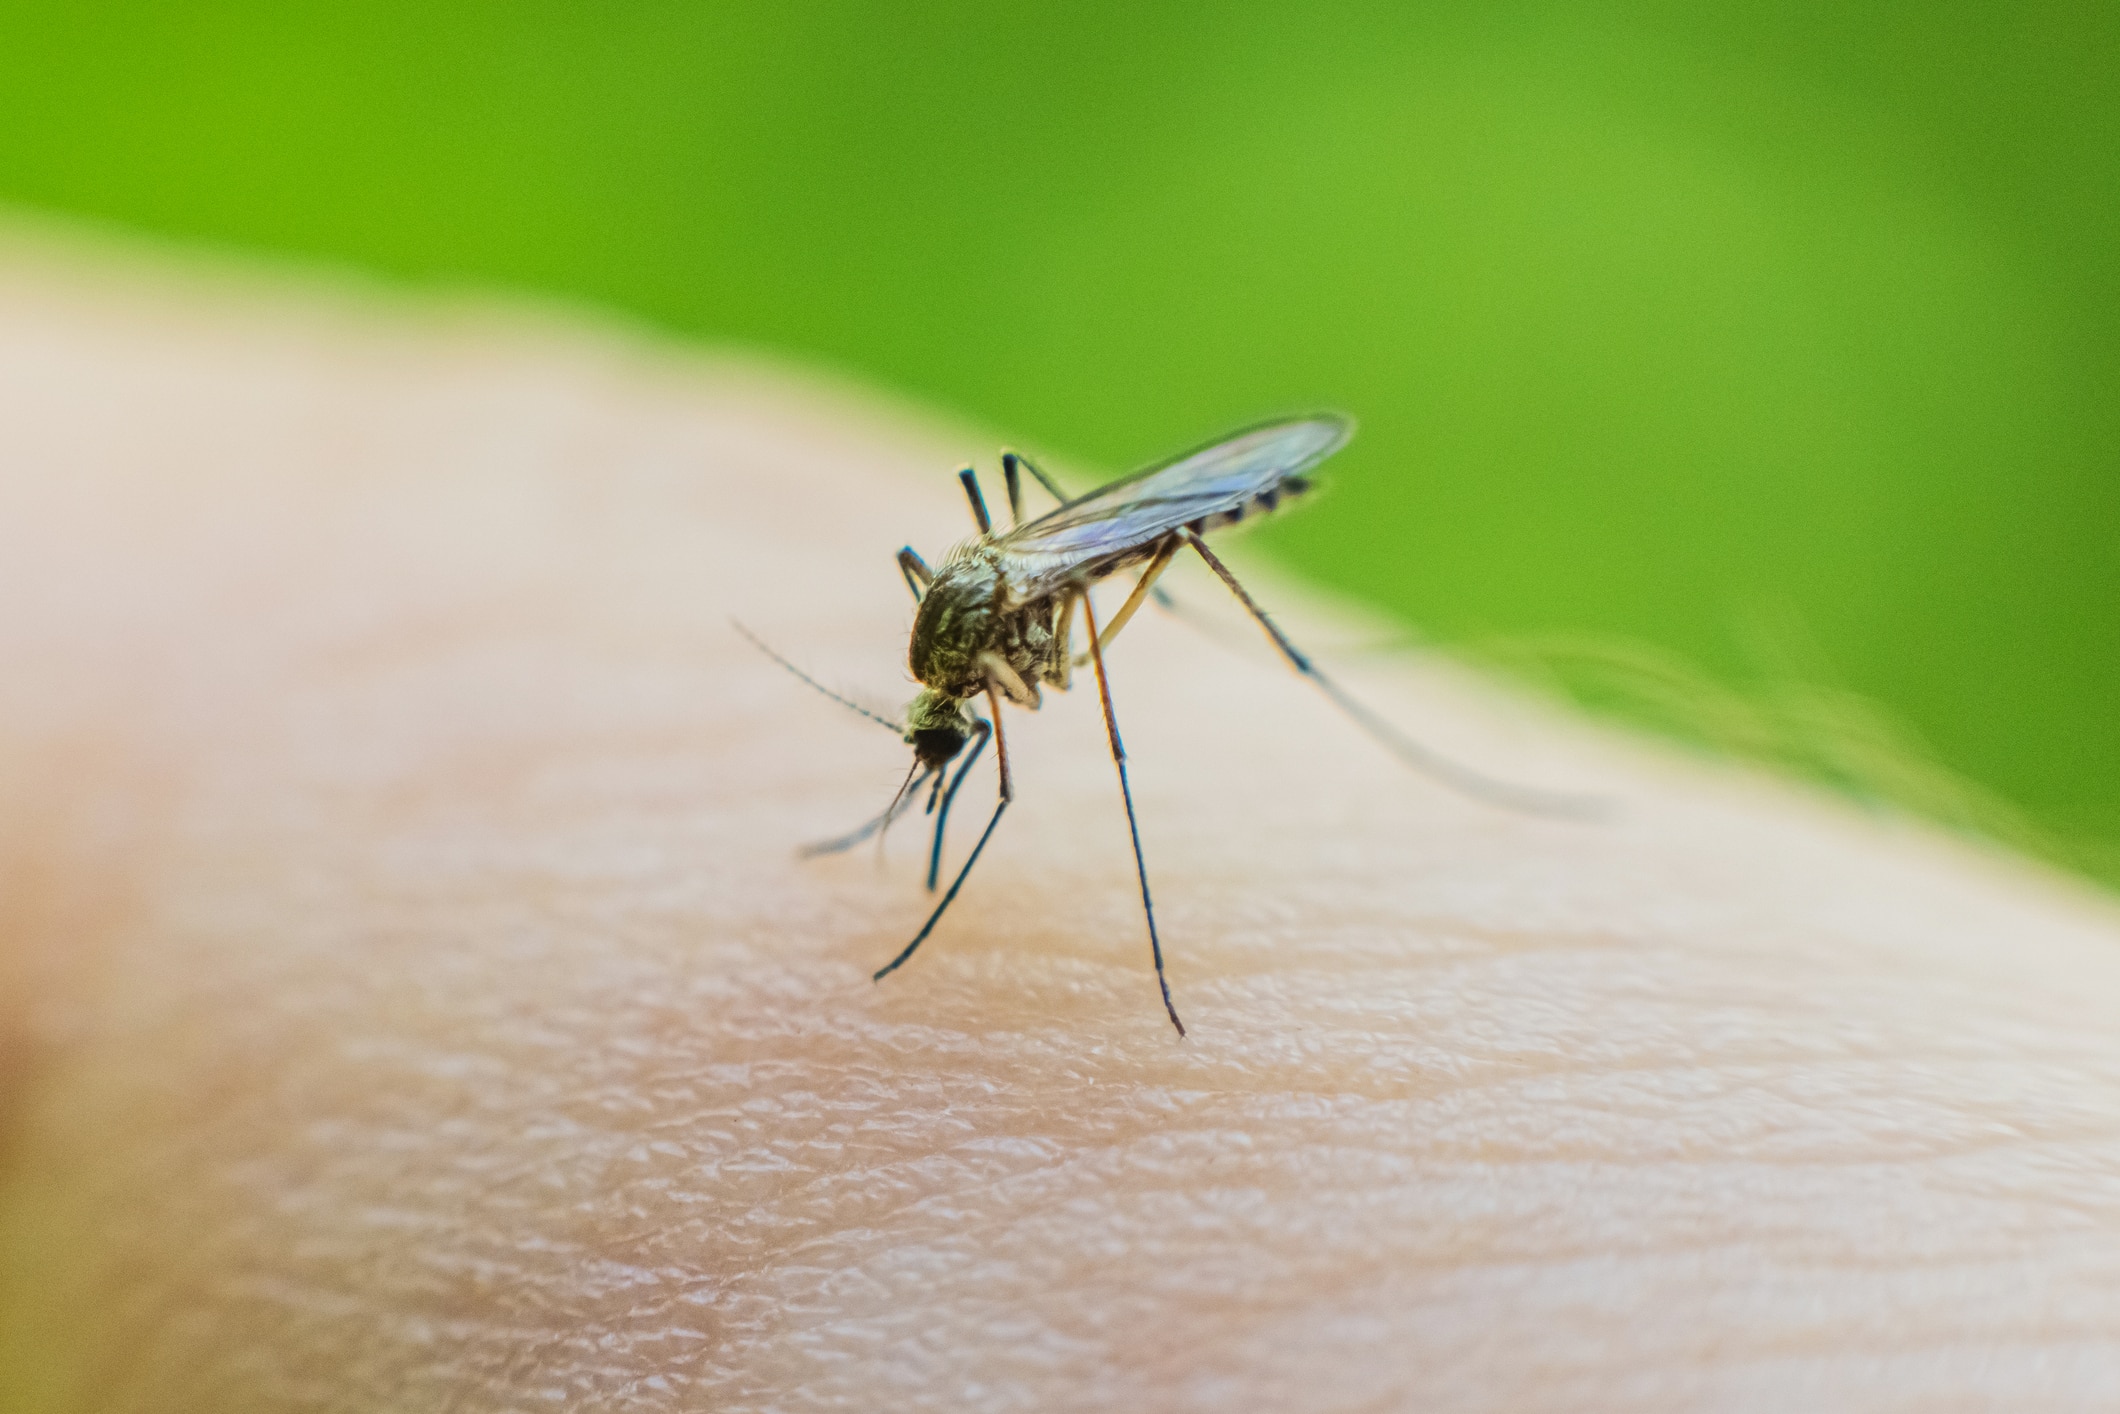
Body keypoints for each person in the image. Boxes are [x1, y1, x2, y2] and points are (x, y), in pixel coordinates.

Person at [6, 239, 2120, 1411]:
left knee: (1100, 703)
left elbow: (1020, 696)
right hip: (1046, 550)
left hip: (1127, 525)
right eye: (925, 751)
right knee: (1029, 617)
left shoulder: (996, 643)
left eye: (925, 750)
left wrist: (1034, 657)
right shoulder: (954, 650)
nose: (938, 746)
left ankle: (1353, 728)